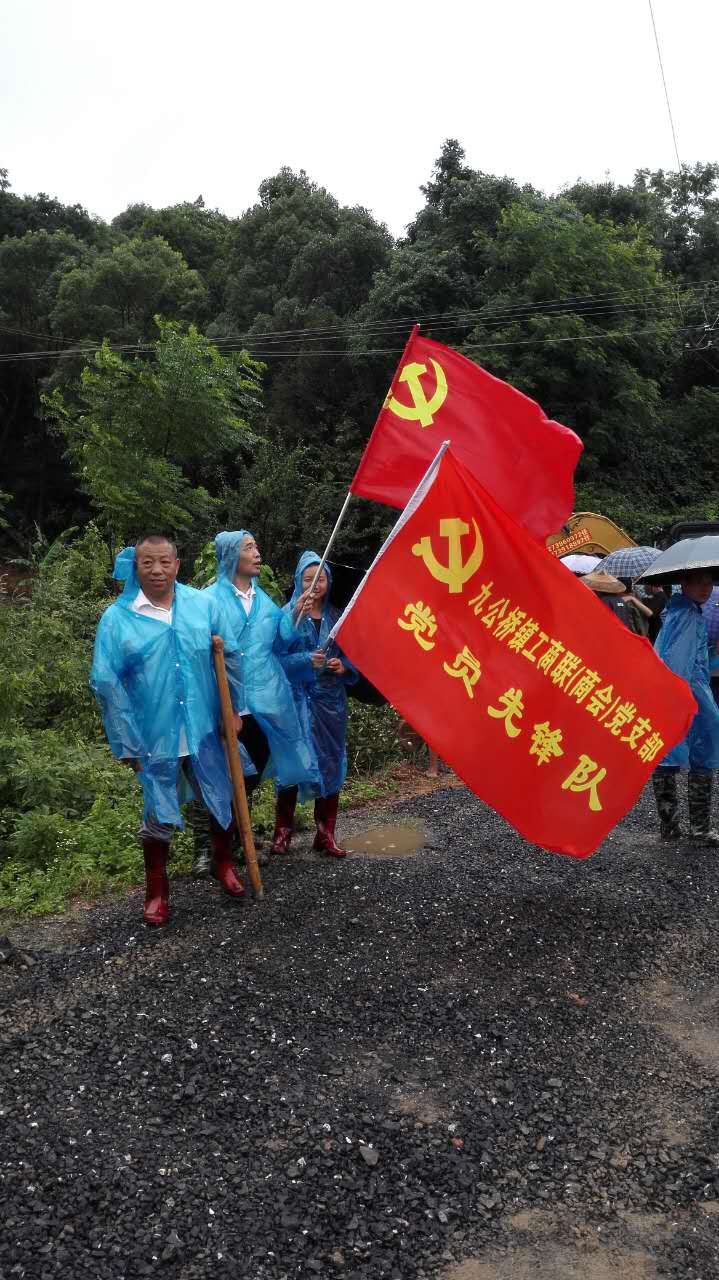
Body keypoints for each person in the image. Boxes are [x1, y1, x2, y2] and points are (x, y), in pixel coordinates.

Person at [90, 535, 246, 927]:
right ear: (136, 566)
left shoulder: (202, 605)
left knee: (221, 796)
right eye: (148, 563)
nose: (157, 570)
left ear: (177, 564)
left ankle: (223, 863)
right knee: (157, 813)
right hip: (154, 734)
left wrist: (233, 710)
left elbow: (229, 657)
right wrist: (125, 740)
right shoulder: (118, 618)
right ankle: (157, 891)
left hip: (204, 727)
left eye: (164, 562)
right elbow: (107, 683)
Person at [196, 530, 319, 870]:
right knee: (222, 775)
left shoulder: (264, 601)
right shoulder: (208, 600)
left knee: (249, 777)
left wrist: (295, 613)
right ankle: (212, 849)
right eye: (249, 547)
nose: (257, 552)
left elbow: (281, 641)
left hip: (265, 702)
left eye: (256, 546)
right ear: (230, 555)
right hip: (227, 704)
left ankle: (236, 842)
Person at [271, 551, 356, 858]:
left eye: (320, 578)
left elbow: (353, 655)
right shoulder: (287, 616)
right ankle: (283, 832)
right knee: (292, 763)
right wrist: (306, 660)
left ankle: (325, 833)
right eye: (308, 579)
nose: (314, 585)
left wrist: (343, 667)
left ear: (328, 582)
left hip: (330, 703)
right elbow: (275, 659)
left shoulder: (338, 616)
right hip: (295, 701)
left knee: (331, 761)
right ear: (298, 581)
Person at [651, 569, 719, 845]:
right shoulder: (688, 615)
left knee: (666, 757)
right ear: (684, 583)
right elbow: (679, 664)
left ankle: (670, 827)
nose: (706, 588)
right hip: (691, 696)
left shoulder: (677, 610)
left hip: (676, 694)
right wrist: (685, 700)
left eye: (709, 583)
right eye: (699, 582)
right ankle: (699, 829)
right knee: (703, 757)